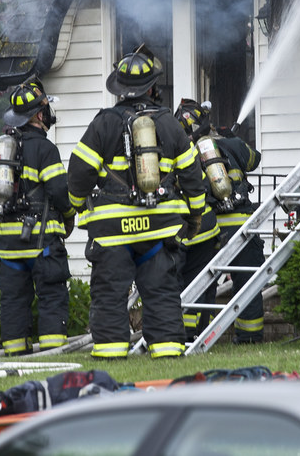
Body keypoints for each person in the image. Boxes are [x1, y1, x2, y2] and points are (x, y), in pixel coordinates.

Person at [68, 46, 207, 359]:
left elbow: (78, 172)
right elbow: (192, 177)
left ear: (119, 90)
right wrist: (195, 216)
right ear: (152, 87)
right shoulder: (170, 125)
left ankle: (110, 352)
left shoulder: (103, 123)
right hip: (158, 228)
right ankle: (169, 350)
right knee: (161, 293)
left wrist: (77, 203)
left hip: (113, 232)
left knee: (109, 293)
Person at [0, 82, 76, 355]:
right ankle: (53, 354)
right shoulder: (45, 150)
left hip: (9, 245)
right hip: (42, 243)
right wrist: (68, 217)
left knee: (14, 301)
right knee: (51, 296)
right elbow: (59, 193)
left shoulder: (2, 152)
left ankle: (16, 353)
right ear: (39, 116)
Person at [175, 98, 265, 343]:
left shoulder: (184, 154)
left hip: (209, 230)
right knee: (247, 279)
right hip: (242, 226)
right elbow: (255, 159)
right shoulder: (231, 144)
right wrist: (231, 140)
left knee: (197, 281)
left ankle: (189, 334)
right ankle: (249, 337)